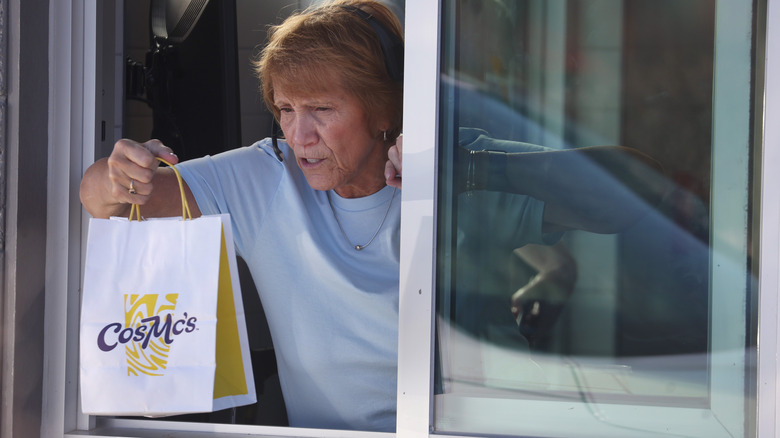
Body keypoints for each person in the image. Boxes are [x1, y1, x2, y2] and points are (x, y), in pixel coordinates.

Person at [80, 0, 666, 432]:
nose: (298, 135)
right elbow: (96, 199)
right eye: (285, 108)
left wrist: (467, 172)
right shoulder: (265, 175)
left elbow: (641, 188)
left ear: (386, 108)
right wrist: (118, 176)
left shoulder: (452, 166)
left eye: (321, 109)